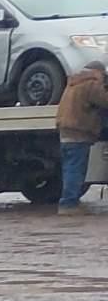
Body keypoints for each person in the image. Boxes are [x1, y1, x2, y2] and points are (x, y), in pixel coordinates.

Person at [58, 62, 108, 204]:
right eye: (103, 75)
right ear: (97, 72)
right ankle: (69, 204)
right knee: (75, 170)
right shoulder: (91, 84)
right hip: (79, 132)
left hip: (66, 131)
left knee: (69, 169)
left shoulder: (74, 83)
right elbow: (105, 101)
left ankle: (69, 202)